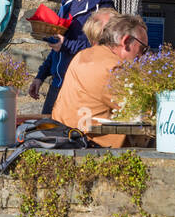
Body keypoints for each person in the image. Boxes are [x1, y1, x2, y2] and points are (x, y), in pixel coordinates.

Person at [28, 0, 116, 115]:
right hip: (58, 85)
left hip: (82, 87)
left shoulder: (101, 6)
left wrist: (66, 45)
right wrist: (40, 76)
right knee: (45, 134)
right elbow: (57, 46)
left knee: (72, 138)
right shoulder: (67, 4)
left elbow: (103, 48)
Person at [52, 13, 148, 148]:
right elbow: (138, 111)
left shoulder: (83, 55)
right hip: (93, 147)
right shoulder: (114, 68)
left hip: (64, 137)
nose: (143, 57)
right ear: (126, 42)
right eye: (143, 49)